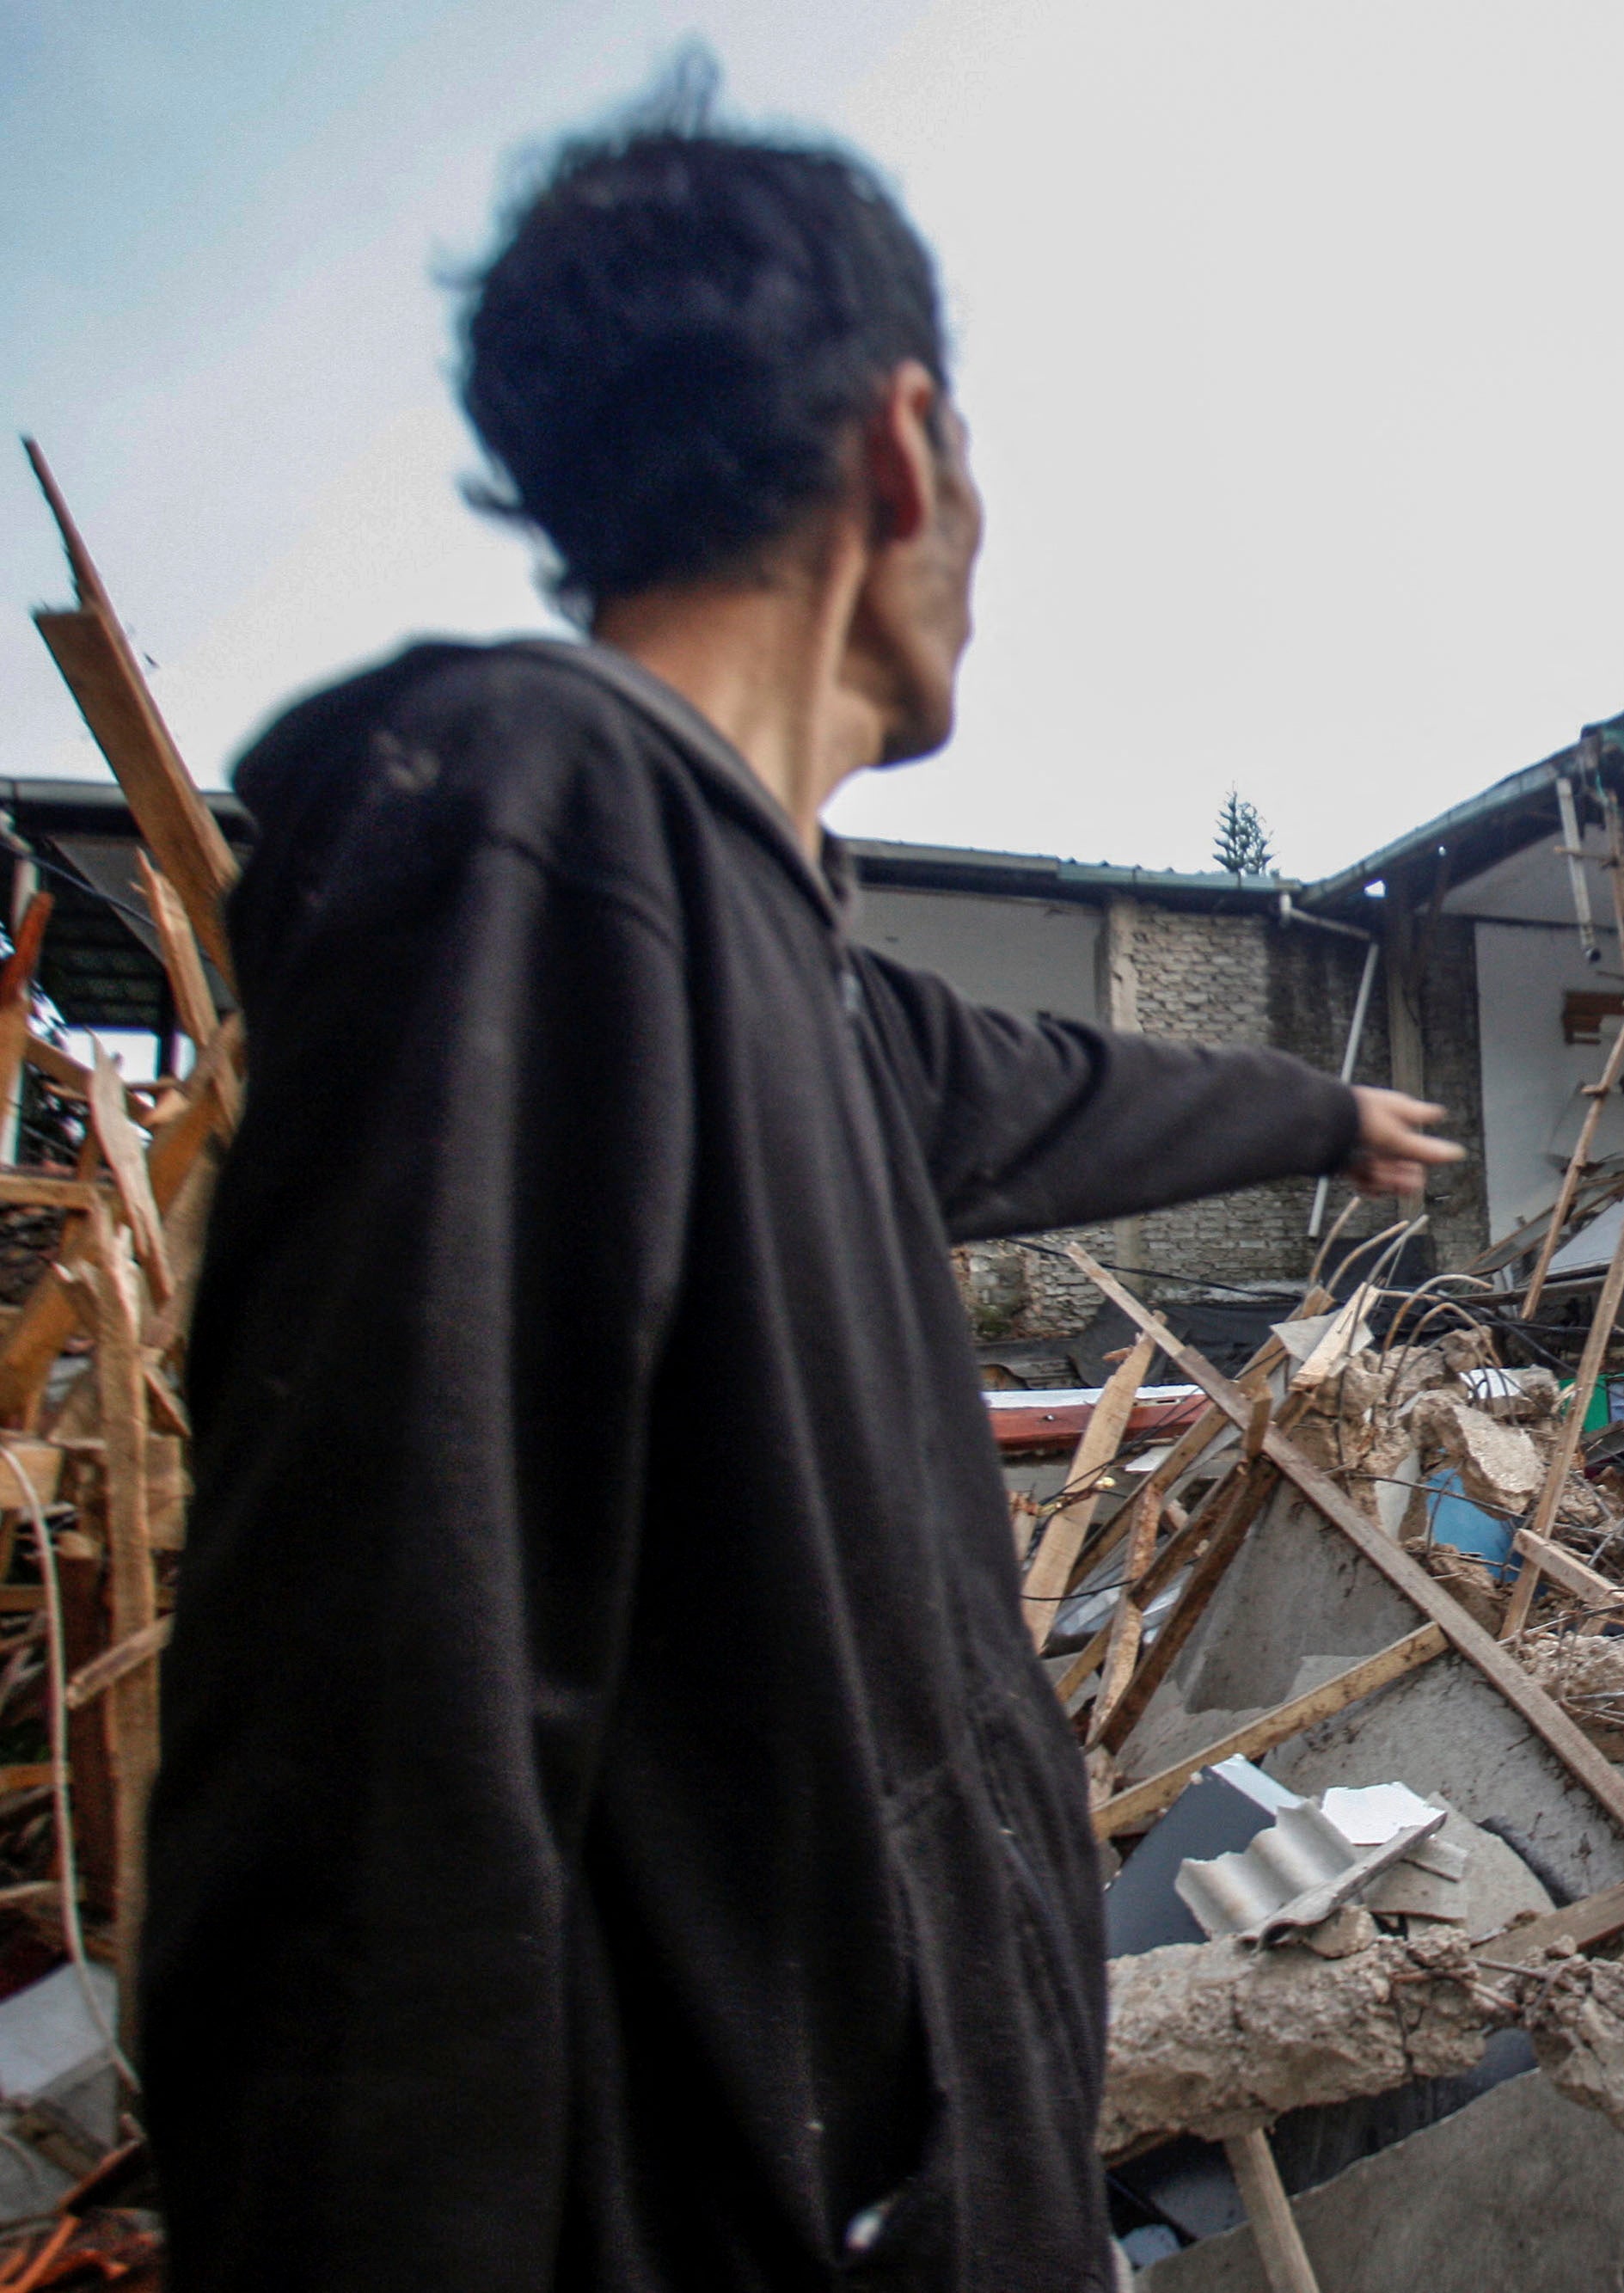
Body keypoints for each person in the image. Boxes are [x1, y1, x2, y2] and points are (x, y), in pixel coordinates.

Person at [138, 98, 1455, 2293]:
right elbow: (366, 1786)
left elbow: (1059, 1088)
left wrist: (1323, 1122)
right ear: (900, 450)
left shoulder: (785, 971)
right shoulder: (531, 838)